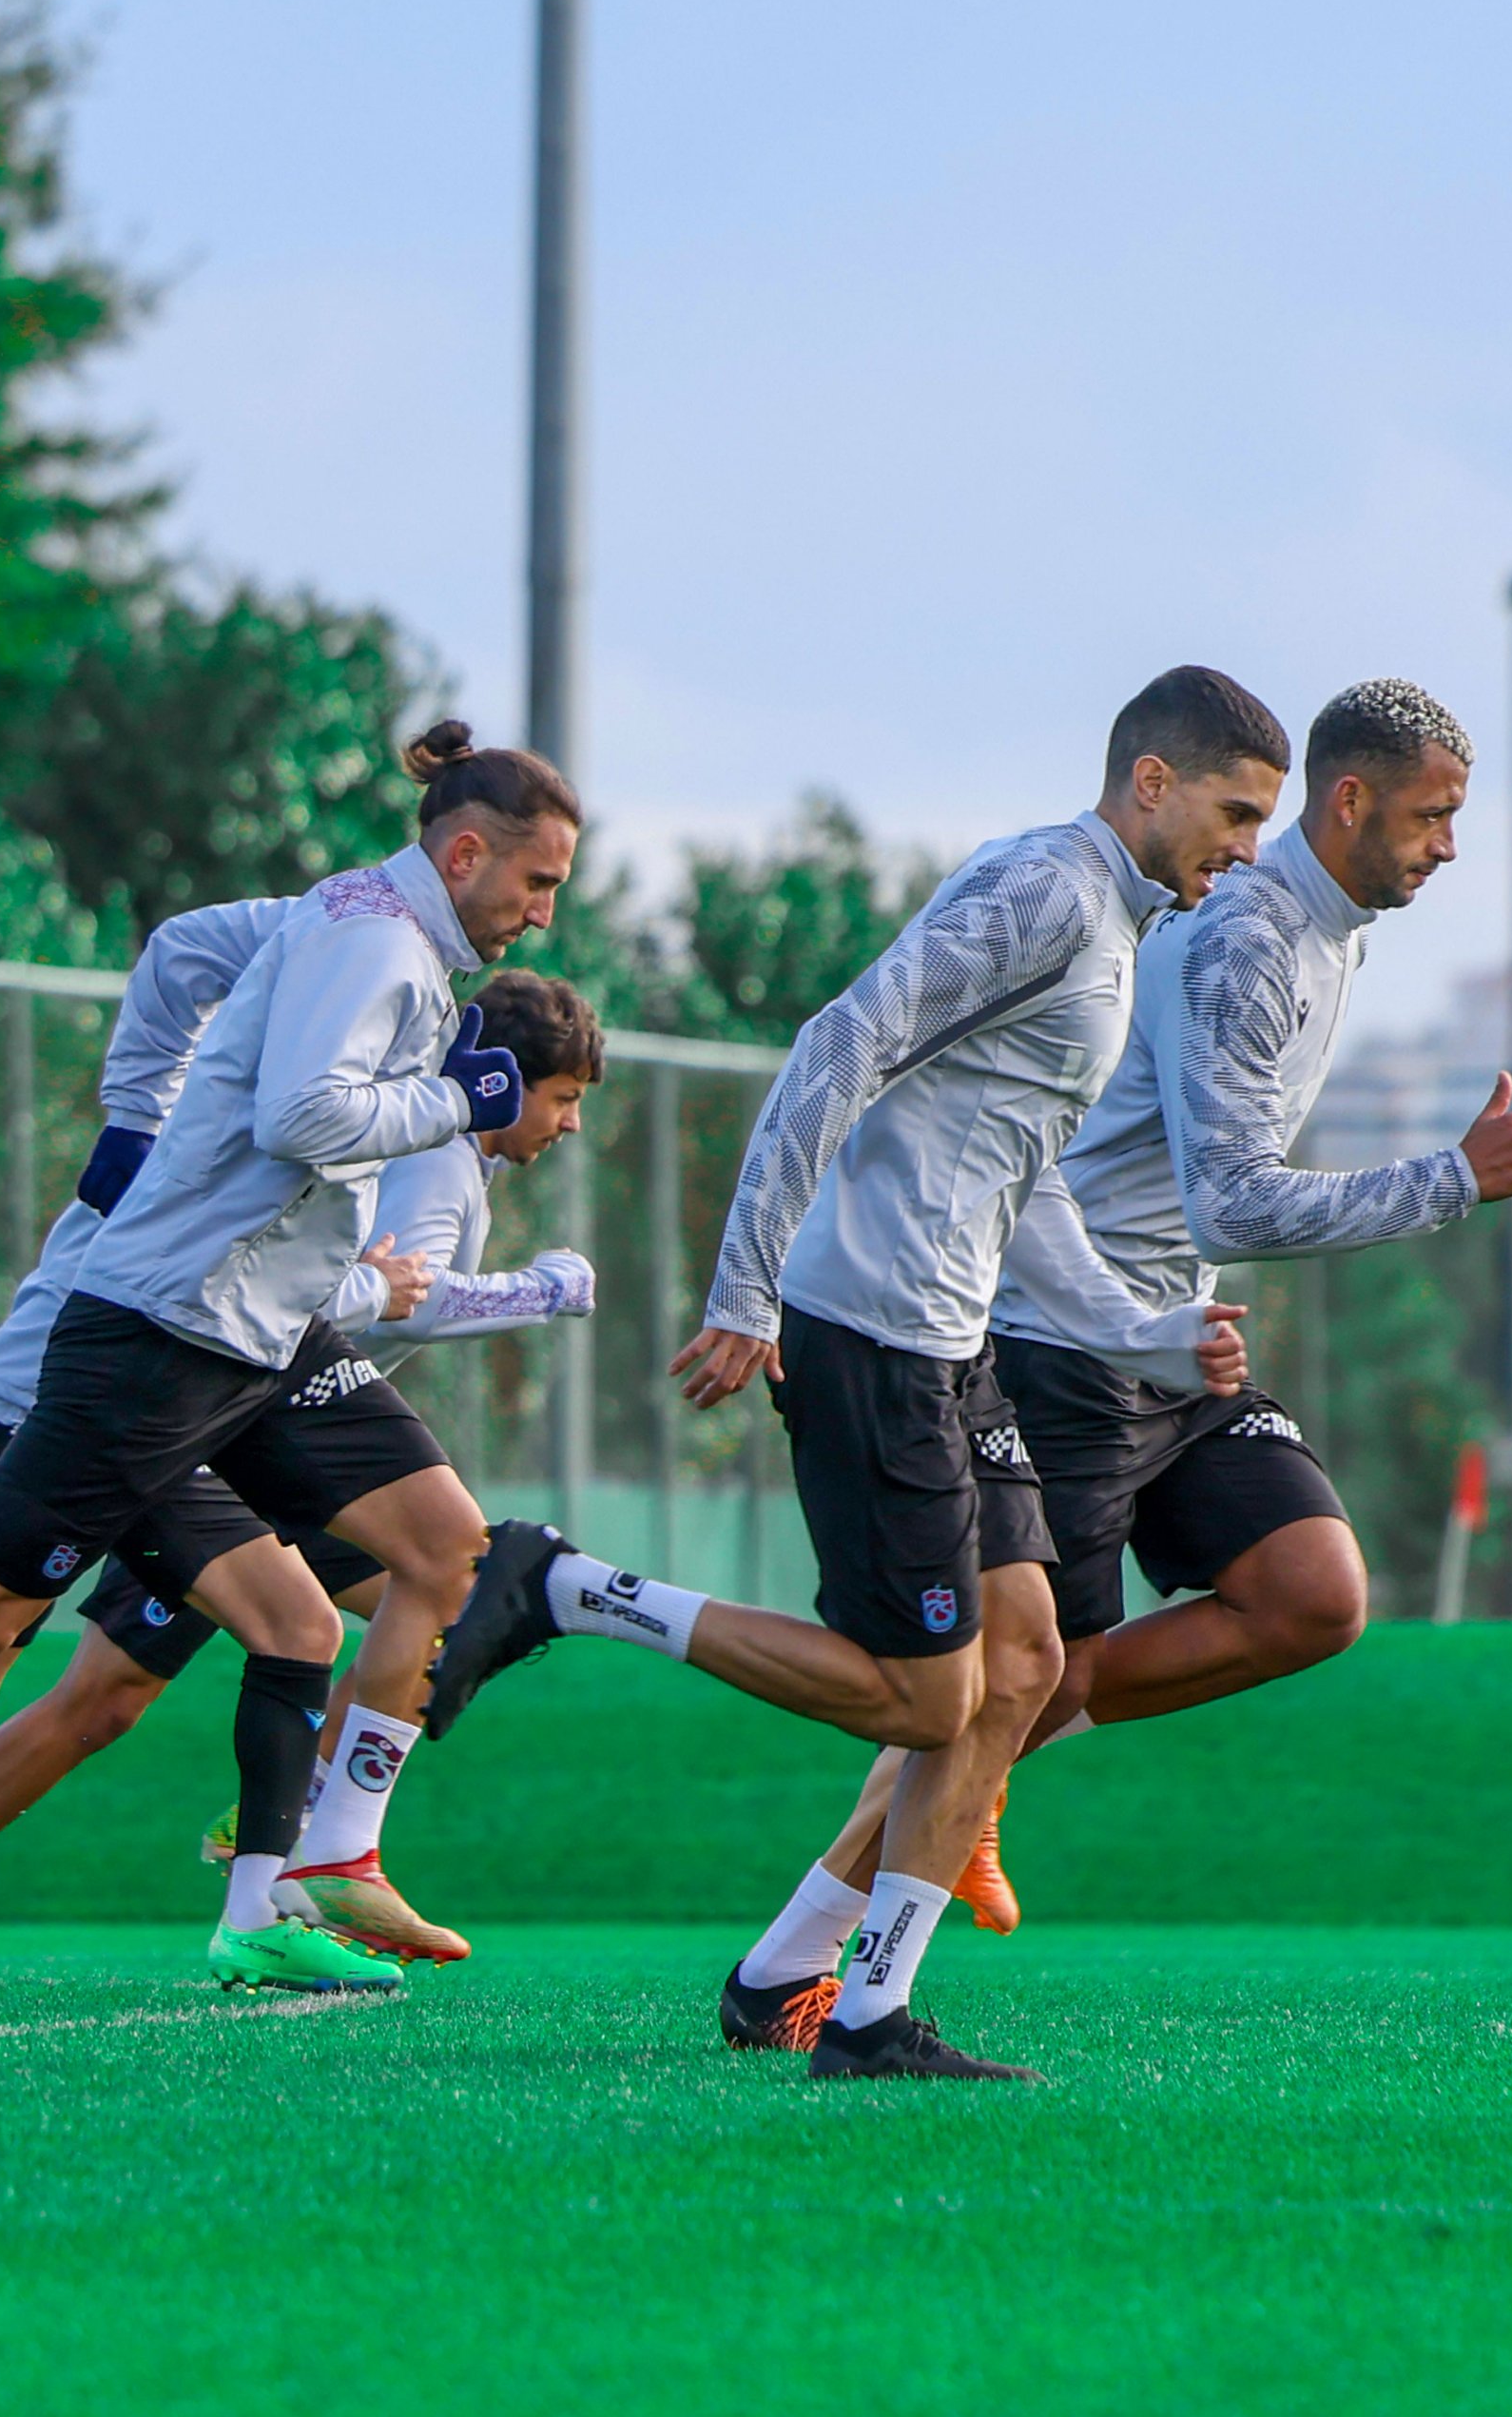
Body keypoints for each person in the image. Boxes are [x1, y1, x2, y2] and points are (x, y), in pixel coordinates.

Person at [427, 666, 1290, 2083]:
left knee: (1025, 1669)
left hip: (959, 1347)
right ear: (1151, 782)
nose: (1248, 848)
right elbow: (844, 1039)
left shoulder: (1114, 931)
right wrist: (748, 1285)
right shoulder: (1050, 897)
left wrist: (1145, 1332)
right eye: (1236, 812)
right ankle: (567, 1587)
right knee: (919, 1700)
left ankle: (843, 2001)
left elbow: (1022, 1176)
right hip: (868, 1330)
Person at [0, 720, 580, 1982]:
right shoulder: (374, 943)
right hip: (163, 1331)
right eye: (538, 883)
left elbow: (187, 958)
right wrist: (460, 1099)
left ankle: (314, 1869)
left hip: (262, 1333)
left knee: (433, 1555)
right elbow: (302, 1115)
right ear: (464, 854)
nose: (544, 915)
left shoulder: (375, 926)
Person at [723, 676, 1512, 2034]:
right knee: (1006, 1685)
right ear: (1347, 801)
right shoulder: (1245, 935)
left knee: (1309, 1592)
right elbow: (1229, 1200)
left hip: (1169, 1342)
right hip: (1067, 1340)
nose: (1448, 847)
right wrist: (1453, 1182)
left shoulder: (1324, 929)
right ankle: (792, 1966)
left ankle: (987, 1771)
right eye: (1432, 817)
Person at [0, 965, 603, 1982]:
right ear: (504, 1076)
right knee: (67, 1694)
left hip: (270, 1442)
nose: (570, 1126)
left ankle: (284, 1825)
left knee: (450, 1598)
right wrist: (541, 1289)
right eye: (565, 1099)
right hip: (234, 1440)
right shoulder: (432, 1156)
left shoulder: (457, 1163)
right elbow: (394, 1299)